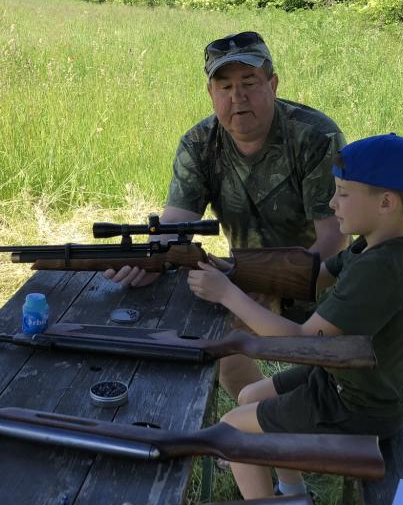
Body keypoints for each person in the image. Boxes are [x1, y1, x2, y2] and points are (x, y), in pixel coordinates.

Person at [188, 133, 403, 505]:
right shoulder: (379, 245)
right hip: (354, 378)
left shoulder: (382, 269)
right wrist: (235, 271)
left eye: (343, 193)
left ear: (386, 202)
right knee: (249, 396)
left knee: (229, 433)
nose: (332, 203)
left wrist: (229, 296)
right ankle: (293, 502)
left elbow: (302, 342)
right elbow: (315, 275)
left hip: (362, 403)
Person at [105, 31, 347, 400]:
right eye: (225, 86)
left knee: (339, 393)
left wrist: (270, 284)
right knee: (219, 349)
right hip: (243, 279)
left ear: (273, 85)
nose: (238, 97)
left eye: (249, 83)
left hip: (321, 283)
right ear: (211, 93)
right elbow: (175, 223)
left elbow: (334, 239)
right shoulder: (199, 143)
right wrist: (150, 259)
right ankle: (265, 417)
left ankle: (287, 417)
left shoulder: (315, 137)